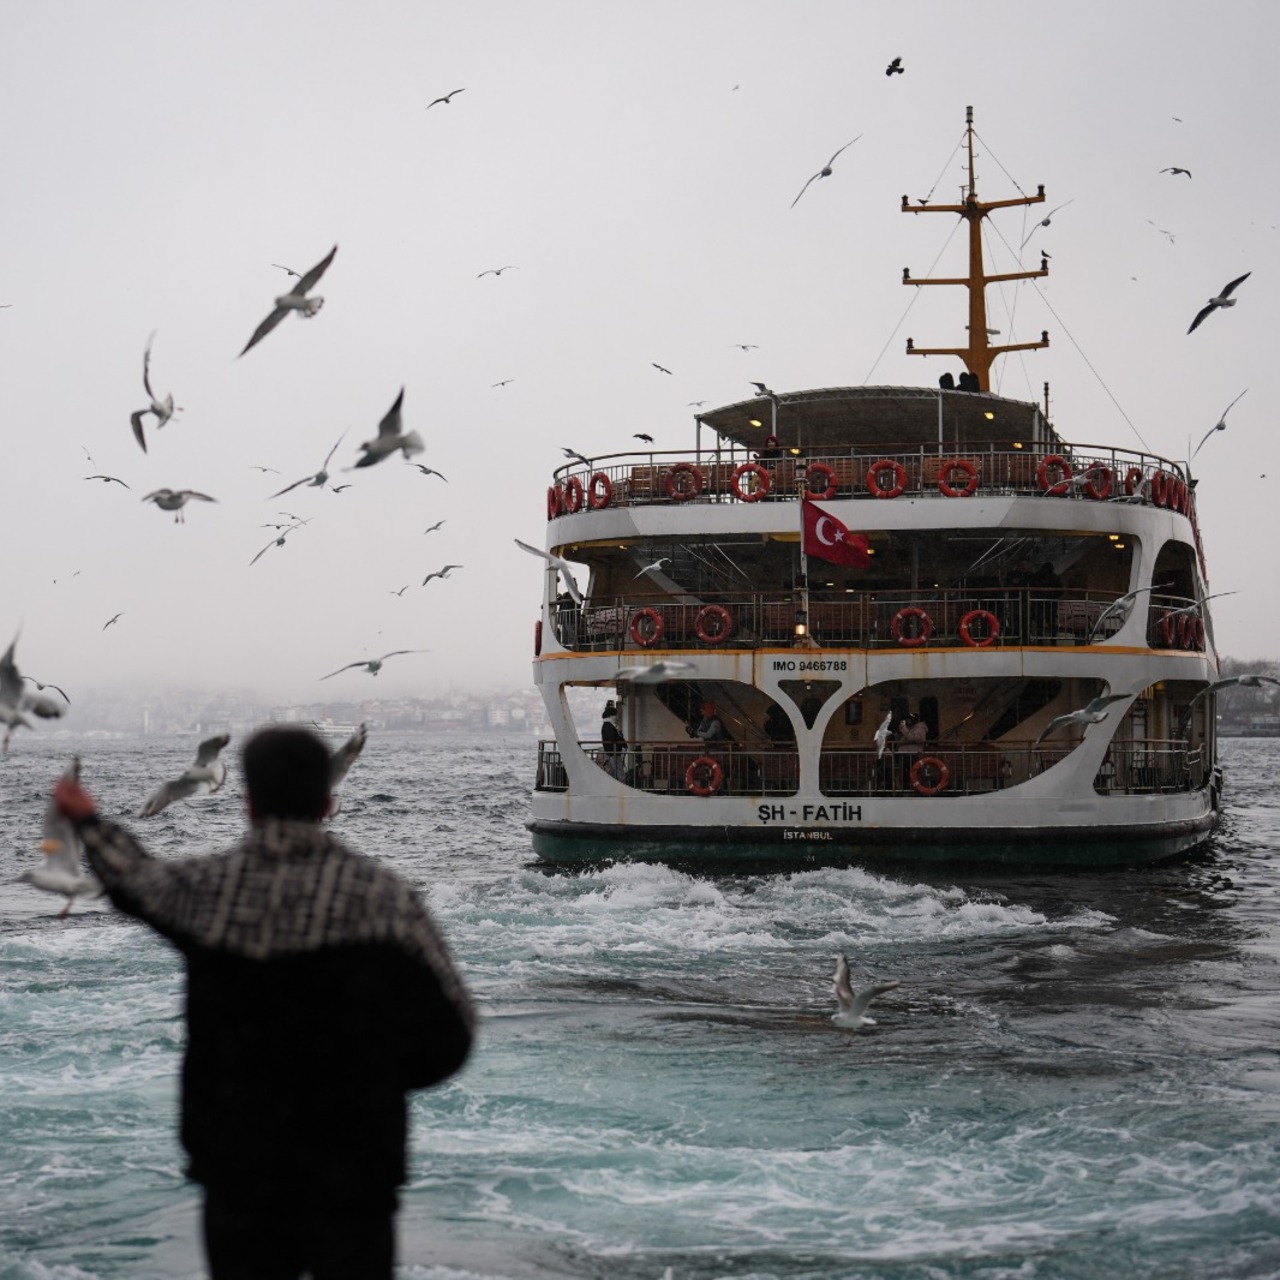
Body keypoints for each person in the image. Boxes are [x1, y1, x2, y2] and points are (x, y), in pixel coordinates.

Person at [54, 725, 475, 1280]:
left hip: (240, 1164)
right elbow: (453, 1034)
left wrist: (85, 818)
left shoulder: (208, 891)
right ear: (328, 802)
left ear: (248, 803)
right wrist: (373, 1080)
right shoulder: (385, 900)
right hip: (353, 1166)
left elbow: (135, 879)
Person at [895, 711, 928, 790]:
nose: (908, 721)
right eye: (907, 719)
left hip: (913, 754)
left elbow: (914, 738)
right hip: (904, 754)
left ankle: (915, 789)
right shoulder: (909, 728)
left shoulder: (920, 728)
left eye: (910, 719)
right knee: (904, 774)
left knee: (914, 773)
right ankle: (905, 788)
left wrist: (904, 729)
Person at [601, 699, 627, 779]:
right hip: (613, 752)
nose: (617, 717)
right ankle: (622, 786)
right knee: (619, 772)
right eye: (615, 715)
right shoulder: (608, 726)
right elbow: (613, 737)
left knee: (614, 771)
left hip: (613, 752)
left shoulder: (608, 725)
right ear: (611, 716)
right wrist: (622, 742)